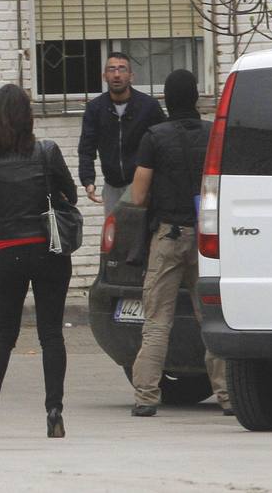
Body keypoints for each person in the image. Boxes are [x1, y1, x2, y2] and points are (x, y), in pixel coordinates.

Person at [0, 83, 77, 440]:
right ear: (27, 115)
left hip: (7, 250)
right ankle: (54, 410)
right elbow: (71, 193)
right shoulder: (47, 151)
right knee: (51, 334)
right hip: (47, 249)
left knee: (3, 334)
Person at [128, 68, 231, 417]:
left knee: (157, 320)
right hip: (207, 239)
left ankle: (146, 396)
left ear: (167, 101)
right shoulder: (213, 134)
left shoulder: (154, 137)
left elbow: (139, 196)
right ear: (196, 99)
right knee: (214, 319)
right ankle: (229, 396)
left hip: (168, 236)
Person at [77, 52, 164, 218]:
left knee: (142, 236)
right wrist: (88, 181)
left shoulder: (148, 106)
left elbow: (162, 143)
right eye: (111, 69)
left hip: (143, 185)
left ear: (131, 76)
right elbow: (86, 149)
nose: (117, 75)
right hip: (112, 187)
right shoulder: (95, 109)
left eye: (122, 69)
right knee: (115, 238)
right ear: (104, 76)